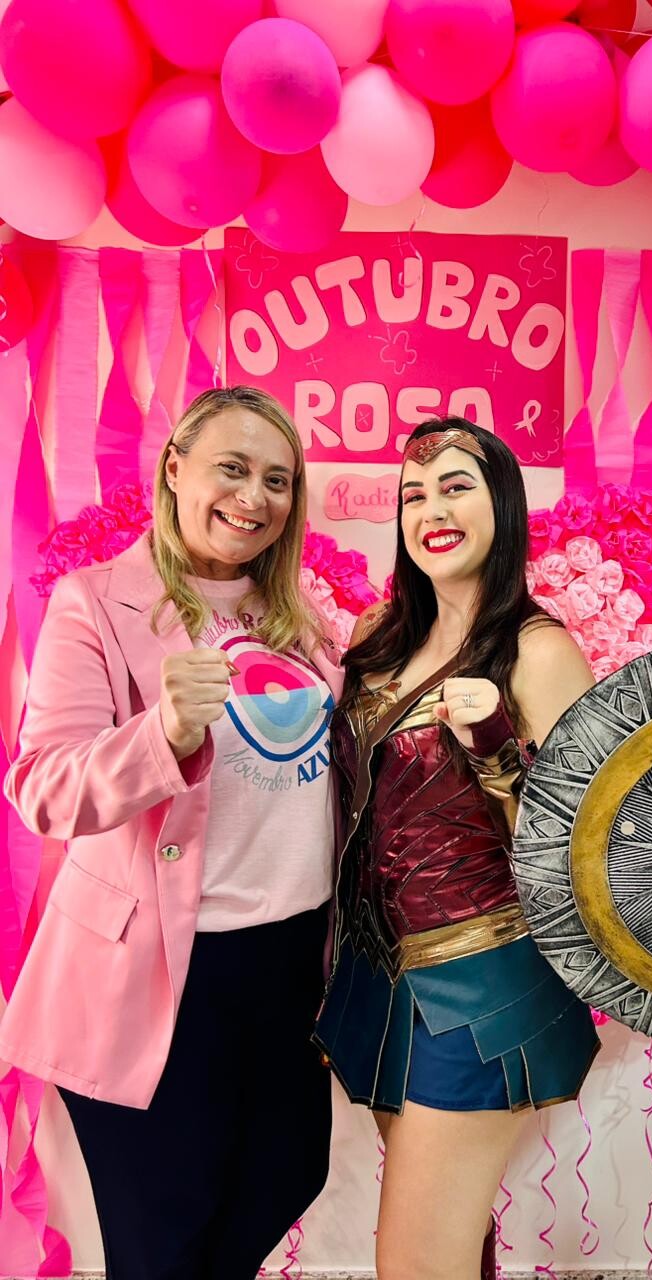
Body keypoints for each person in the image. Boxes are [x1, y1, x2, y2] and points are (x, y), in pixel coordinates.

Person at [1, 386, 342, 1280]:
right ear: (176, 469)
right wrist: (164, 732)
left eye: (277, 479)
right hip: (159, 973)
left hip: (288, 960)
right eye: (232, 468)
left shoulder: (300, 617)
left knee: (286, 1174)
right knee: (165, 1236)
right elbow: (42, 788)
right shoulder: (94, 601)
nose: (255, 496)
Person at [313, 417, 600, 1280]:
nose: (431, 509)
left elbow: (582, 851)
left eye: (456, 486)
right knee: (450, 1245)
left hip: (484, 987)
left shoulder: (539, 651)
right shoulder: (378, 635)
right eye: (413, 494)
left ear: (502, 502)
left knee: (415, 1264)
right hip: (375, 975)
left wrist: (498, 750)